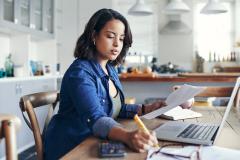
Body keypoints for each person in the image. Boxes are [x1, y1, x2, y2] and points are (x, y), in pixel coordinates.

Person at [44, 8, 192, 159]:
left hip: (94, 140)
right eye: (110, 36)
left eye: (121, 39)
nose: (116, 44)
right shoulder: (80, 73)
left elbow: (114, 108)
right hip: (71, 146)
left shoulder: (110, 69)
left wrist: (147, 108)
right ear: (94, 35)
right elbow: (96, 117)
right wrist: (127, 136)